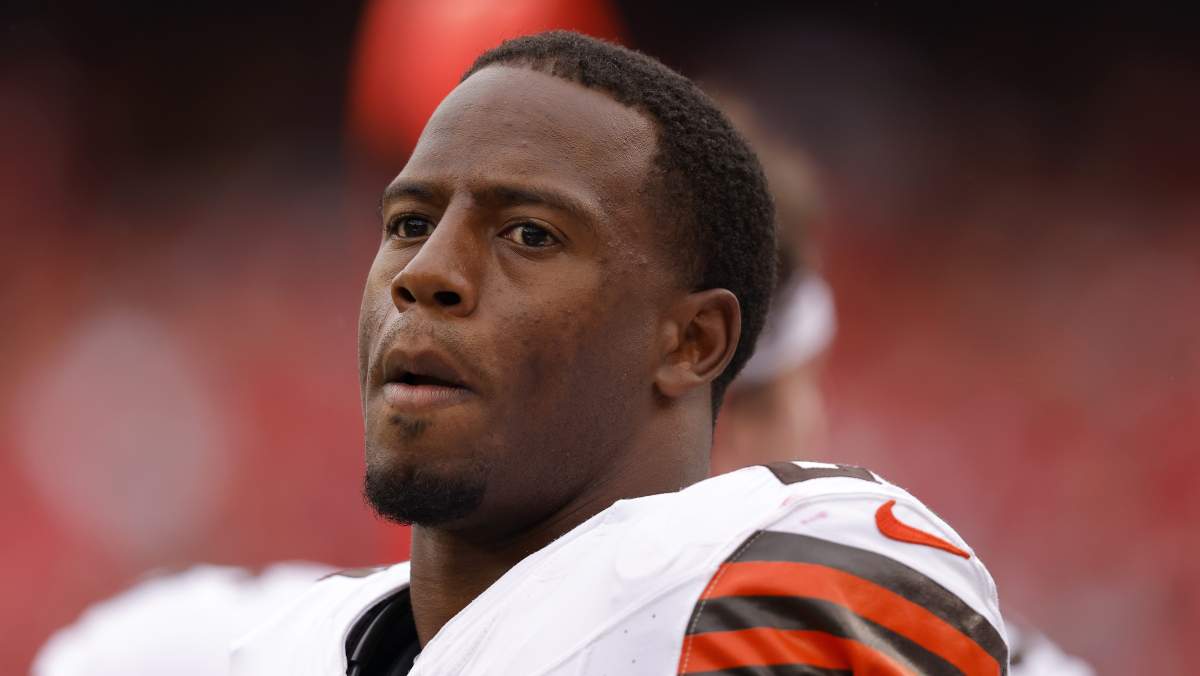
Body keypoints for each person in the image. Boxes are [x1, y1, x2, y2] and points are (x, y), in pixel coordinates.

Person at [233, 31, 1006, 675]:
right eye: (409, 224)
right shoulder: (278, 648)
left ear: (693, 341)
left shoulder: (759, 591)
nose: (425, 273)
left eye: (529, 234)